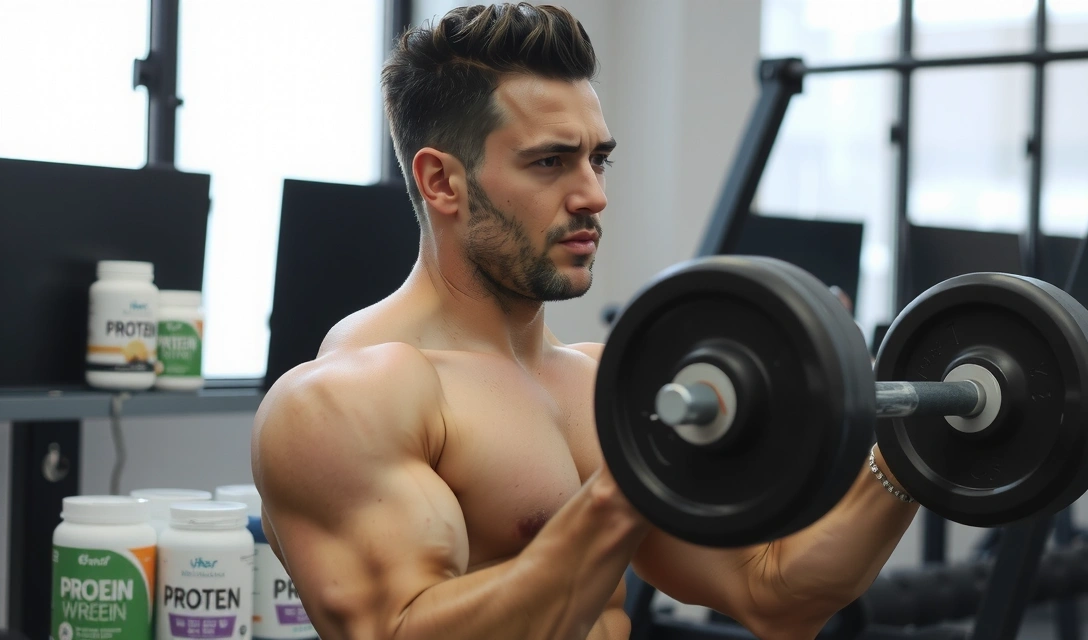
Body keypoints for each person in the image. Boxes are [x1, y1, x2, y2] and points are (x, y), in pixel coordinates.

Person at [251, 4, 919, 639]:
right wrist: (634, 481)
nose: (594, 195)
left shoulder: (602, 383)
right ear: (442, 182)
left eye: (598, 159)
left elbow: (772, 595)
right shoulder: (347, 401)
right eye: (550, 161)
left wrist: (917, 448)